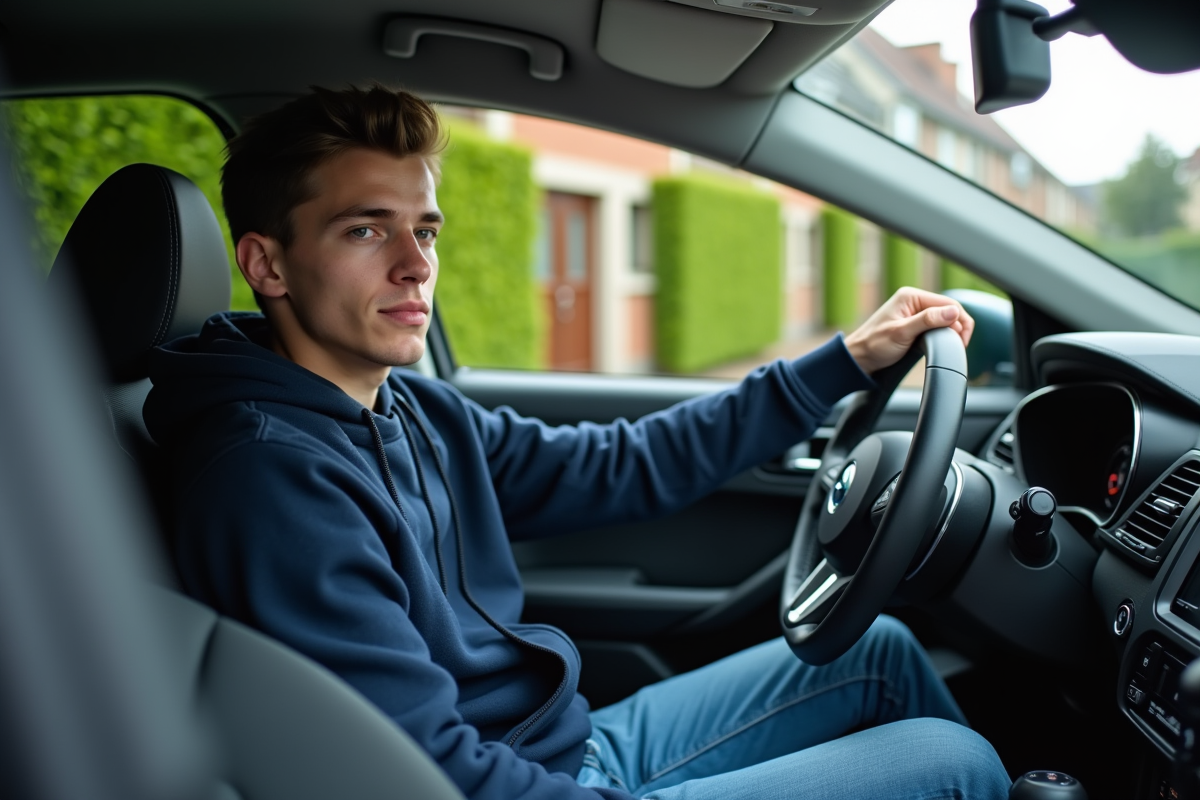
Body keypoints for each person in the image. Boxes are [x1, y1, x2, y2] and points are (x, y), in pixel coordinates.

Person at [145, 85, 1011, 800]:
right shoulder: (270, 481)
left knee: (879, 650)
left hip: (566, 747)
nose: (416, 264)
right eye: (366, 229)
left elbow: (621, 464)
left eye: (426, 229)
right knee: (954, 763)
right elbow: (418, 771)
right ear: (266, 265)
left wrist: (843, 364)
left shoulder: (414, 412)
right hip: (526, 785)